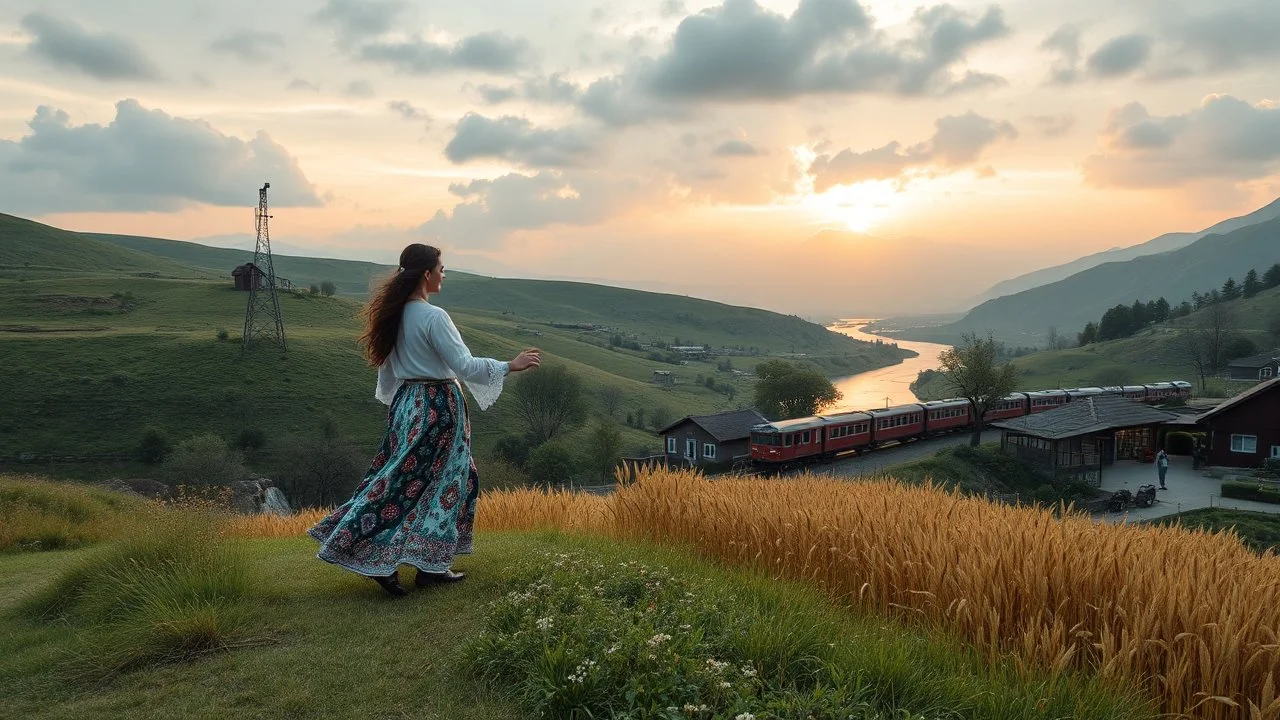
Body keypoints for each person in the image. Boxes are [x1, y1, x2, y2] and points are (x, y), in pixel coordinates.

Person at [308, 243, 541, 597]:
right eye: (441, 268)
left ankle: (418, 562)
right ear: (427, 274)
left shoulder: (394, 314)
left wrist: (403, 409)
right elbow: (464, 367)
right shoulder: (434, 317)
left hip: (408, 406)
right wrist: (511, 365)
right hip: (438, 407)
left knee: (400, 480)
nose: (444, 274)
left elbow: (387, 372)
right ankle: (422, 564)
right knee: (450, 482)